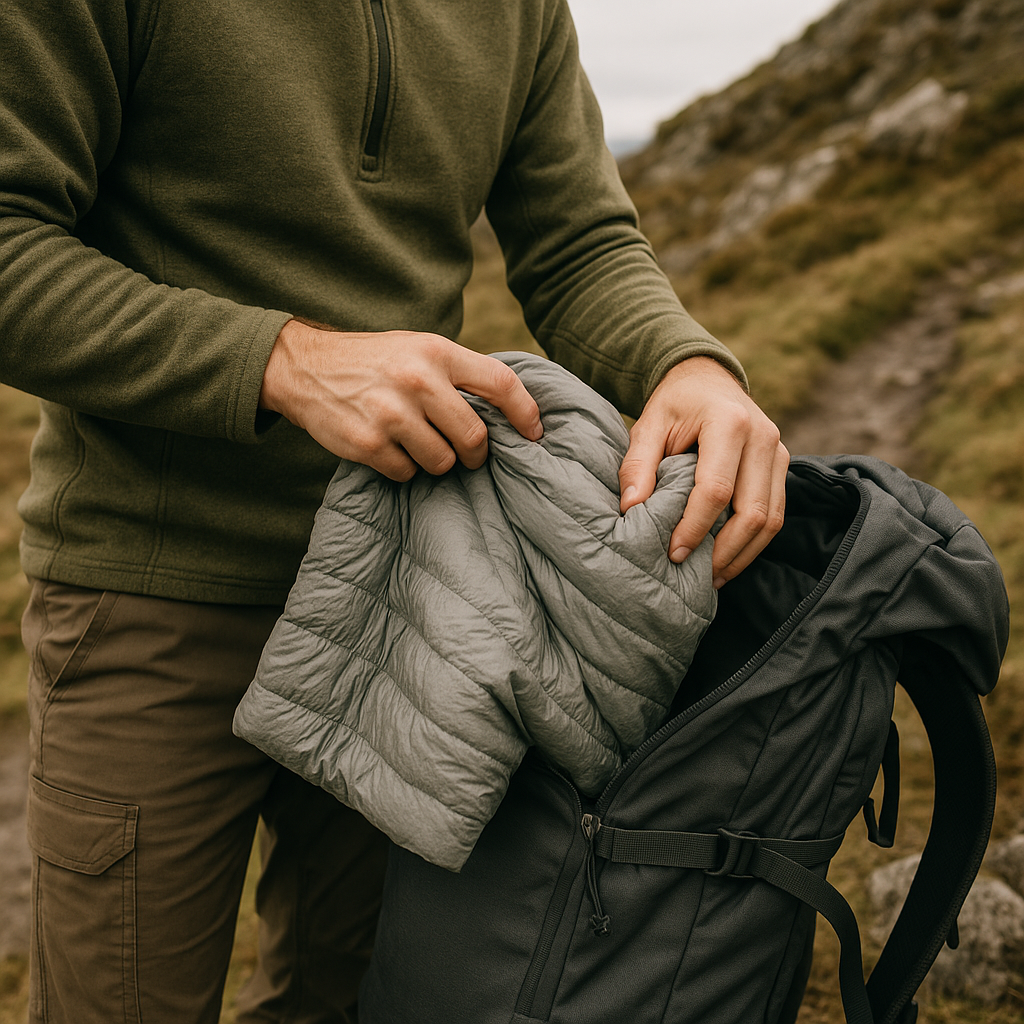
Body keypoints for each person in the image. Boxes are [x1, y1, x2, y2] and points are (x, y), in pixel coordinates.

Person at [0, 1, 787, 1021]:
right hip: (154, 591)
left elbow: (578, 240)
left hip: (421, 594)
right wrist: (281, 359)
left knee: (359, 1000)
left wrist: (687, 365)